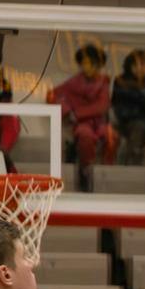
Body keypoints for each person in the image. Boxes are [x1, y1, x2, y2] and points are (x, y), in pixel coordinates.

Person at [49, 42, 112, 189]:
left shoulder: (104, 82)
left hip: (100, 124)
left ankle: (107, 175)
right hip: (82, 124)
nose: (86, 67)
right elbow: (53, 95)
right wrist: (67, 111)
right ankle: (85, 170)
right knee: (85, 135)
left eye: (90, 63)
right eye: (83, 63)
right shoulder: (74, 82)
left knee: (111, 138)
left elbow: (102, 105)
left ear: (97, 64)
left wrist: (77, 113)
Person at [111, 48, 145, 166]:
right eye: (135, 65)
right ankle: (132, 168)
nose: (139, 68)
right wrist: (142, 96)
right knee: (138, 128)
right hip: (129, 123)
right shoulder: (121, 82)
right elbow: (119, 107)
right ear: (129, 66)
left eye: (143, 65)